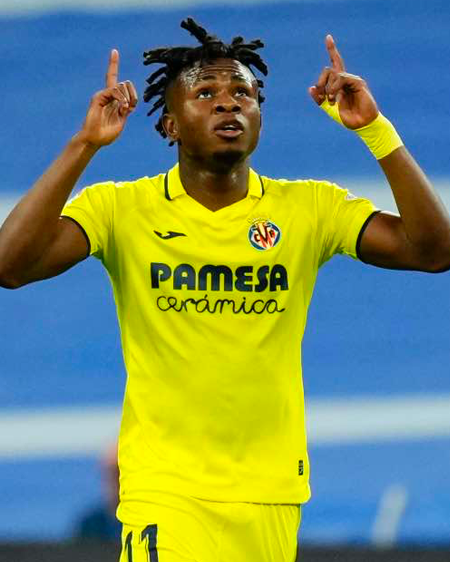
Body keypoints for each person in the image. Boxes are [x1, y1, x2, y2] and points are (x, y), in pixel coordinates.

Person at [0, 17, 449, 562]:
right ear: (169, 124)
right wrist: (84, 144)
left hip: (271, 491)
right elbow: (10, 265)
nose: (228, 103)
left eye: (243, 93)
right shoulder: (118, 209)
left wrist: (375, 130)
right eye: (205, 93)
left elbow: (433, 251)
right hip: (165, 489)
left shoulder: (311, 208)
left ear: (259, 118)